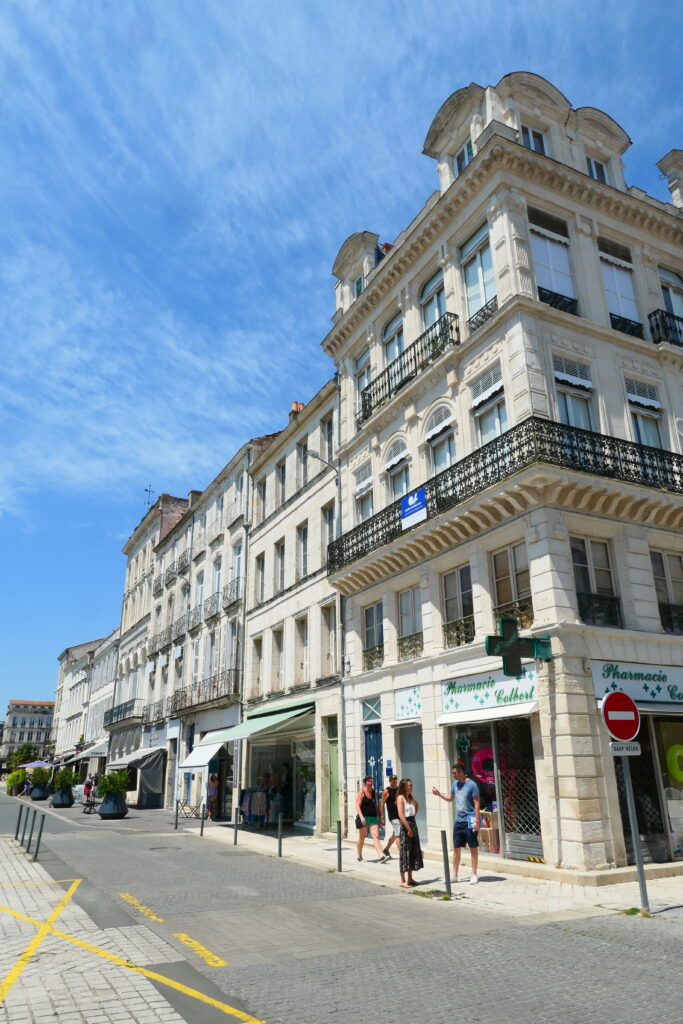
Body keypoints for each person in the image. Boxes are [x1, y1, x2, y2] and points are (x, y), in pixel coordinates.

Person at [433, 763, 481, 884]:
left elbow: (476, 803)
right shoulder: (455, 784)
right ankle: (454, 874)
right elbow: (450, 798)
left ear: (461, 772)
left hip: (470, 820)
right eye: (453, 772)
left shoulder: (472, 785)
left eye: (455, 772)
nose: (453, 775)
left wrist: (477, 821)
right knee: (456, 848)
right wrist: (439, 794)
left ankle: (474, 874)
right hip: (459, 821)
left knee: (473, 848)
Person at [397, 778, 423, 888]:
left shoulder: (410, 797)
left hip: (412, 823)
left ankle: (410, 878)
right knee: (405, 852)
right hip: (406, 826)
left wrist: (413, 817)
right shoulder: (400, 798)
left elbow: (417, 805)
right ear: (404, 787)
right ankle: (403, 880)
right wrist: (408, 828)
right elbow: (401, 815)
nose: (411, 786)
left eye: (411, 785)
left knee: (412, 851)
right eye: (409, 785)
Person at [355, 775, 385, 862]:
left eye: (371, 781)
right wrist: (361, 817)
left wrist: (381, 816)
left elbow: (376, 805)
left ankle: (381, 856)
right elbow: (357, 806)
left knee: (376, 836)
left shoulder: (374, 792)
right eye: (369, 781)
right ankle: (359, 856)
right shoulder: (362, 792)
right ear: (365, 782)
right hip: (364, 817)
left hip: (373, 817)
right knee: (362, 837)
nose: (370, 782)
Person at [380, 775, 400, 859]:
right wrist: (382, 817)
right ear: (389, 781)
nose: (394, 781)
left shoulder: (399, 789)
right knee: (399, 835)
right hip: (393, 816)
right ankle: (402, 854)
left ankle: (386, 849)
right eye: (392, 780)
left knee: (395, 834)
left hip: (400, 815)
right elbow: (382, 804)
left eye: (395, 780)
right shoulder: (386, 791)